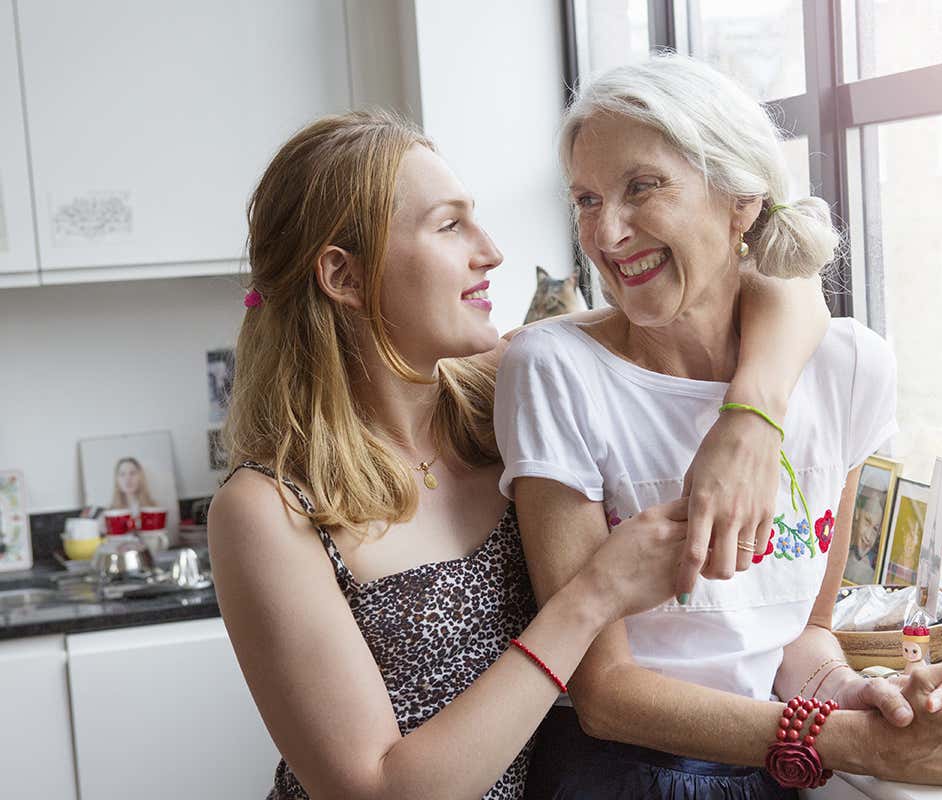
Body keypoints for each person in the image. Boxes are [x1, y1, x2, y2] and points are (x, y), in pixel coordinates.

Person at [206, 108, 833, 799]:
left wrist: (751, 419)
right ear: (343, 277)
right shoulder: (266, 510)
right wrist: (593, 595)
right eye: (450, 226)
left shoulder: (505, 391)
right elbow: (377, 791)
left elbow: (779, 282)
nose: (491, 252)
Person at [496, 55, 942, 797]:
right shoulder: (553, 370)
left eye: (641, 187)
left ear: (739, 200)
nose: (606, 233)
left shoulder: (850, 369)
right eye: (586, 199)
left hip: (776, 764)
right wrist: (848, 739)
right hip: (619, 774)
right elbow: (605, 693)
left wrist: (863, 694)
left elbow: (798, 638)